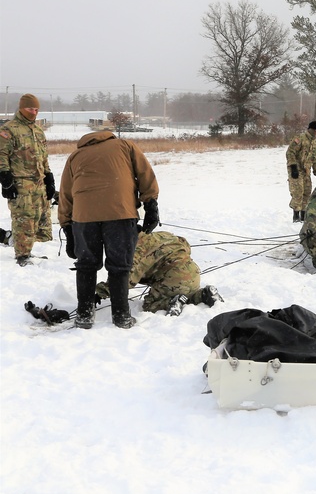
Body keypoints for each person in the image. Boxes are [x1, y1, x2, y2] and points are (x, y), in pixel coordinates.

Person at [58, 130, 159, 329]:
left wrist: (67, 227)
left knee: (86, 264)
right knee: (119, 266)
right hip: (120, 213)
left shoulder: (75, 156)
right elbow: (145, 174)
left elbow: (66, 194)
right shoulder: (125, 146)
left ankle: (84, 315)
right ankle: (121, 315)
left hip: (84, 217)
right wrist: (151, 204)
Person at [95, 229, 222, 316]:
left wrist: (100, 292)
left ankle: (172, 302)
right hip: (193, 272)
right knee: (186, 290)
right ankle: (203, 295)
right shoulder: (159, 235)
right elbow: (185, 244)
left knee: (150, 305)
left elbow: (124, 280)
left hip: (172, 279)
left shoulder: (134, 250)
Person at [0, 93, 57, 266]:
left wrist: (49, 177)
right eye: (30, 108)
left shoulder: (38, 131)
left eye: (36, 109)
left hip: (38, 183)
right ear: (22, 108)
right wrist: (5, 179)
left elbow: (43, 157)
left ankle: (29, 250)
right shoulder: (9, 130)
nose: (34, 112)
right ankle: (22, 255)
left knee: (38, 219)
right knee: (23, 218)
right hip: (20, 182)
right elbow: (2, 156)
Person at [286, 120, 316, 222]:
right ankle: (296, 216)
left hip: (306, 172)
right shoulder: (300, 139)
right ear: (310, 129)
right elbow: (290, 153)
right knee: (298, 192)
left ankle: (303, 216)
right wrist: (293, 167)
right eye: (314, 130)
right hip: (296, 170)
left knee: (307, 192)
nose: (315, 133)